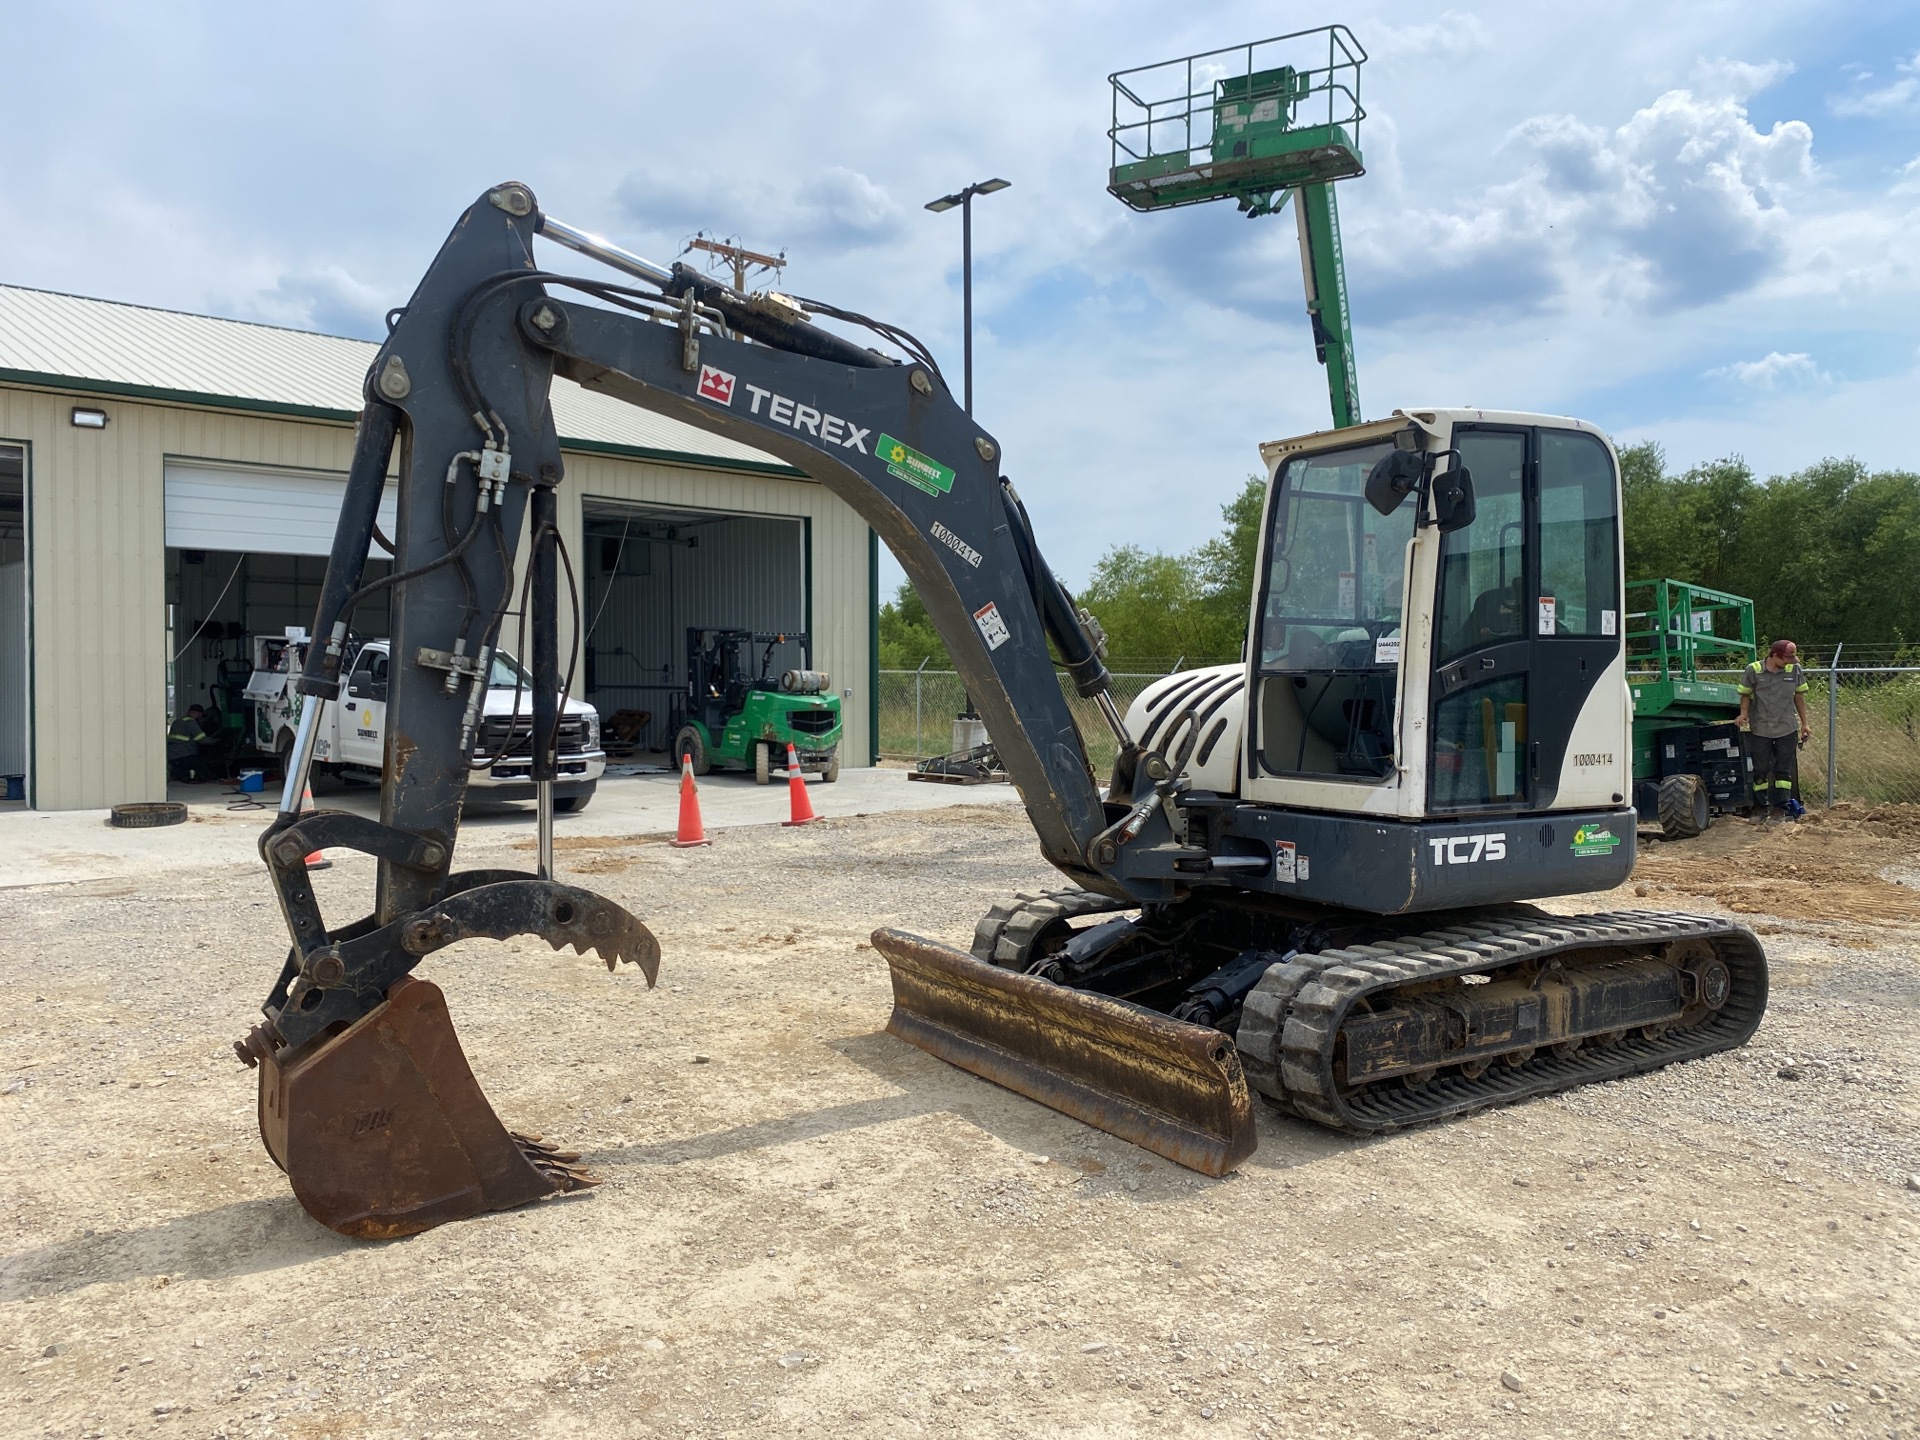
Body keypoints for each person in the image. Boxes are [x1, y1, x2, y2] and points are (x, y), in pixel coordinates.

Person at [1736, 639, 1811, 823]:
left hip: (1786, 727)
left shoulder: (1794, 670)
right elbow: (1745, 694)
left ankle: (1780, 809)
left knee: (1783, 771)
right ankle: (1759, 808)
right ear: (1774, 656)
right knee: (1760, 770)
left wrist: (1805, 724)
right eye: (1787, 658)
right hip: (1760, 728)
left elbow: (1799, 697)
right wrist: (1744, 713)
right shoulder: (1753, 670)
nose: (1791, 661)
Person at [167, 704, 209, 782]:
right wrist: (216, 740)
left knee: (181, 774)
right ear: (196, 713)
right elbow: (202, 739)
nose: (200, 718)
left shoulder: (177, 722)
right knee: (205, 772)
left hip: (172, 756)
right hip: (184, 755)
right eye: (200, 715)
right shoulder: (190, 722)